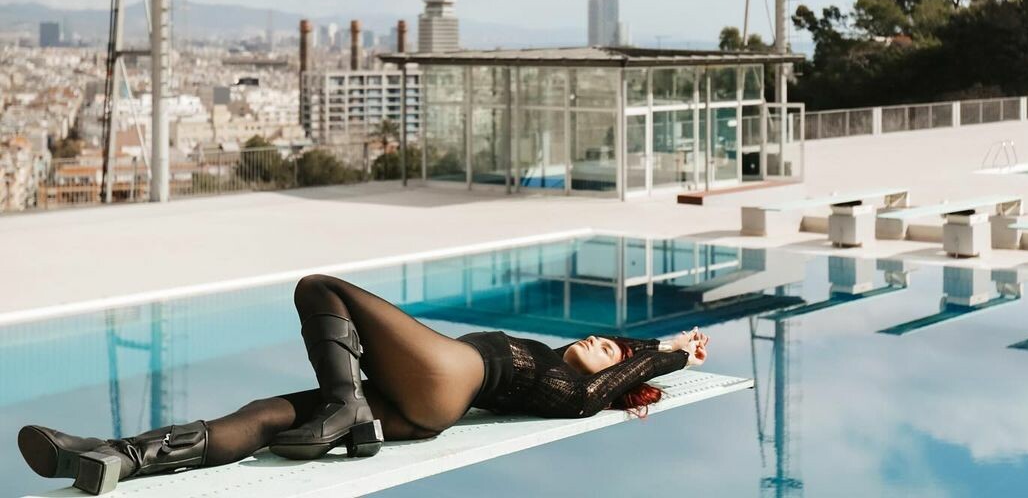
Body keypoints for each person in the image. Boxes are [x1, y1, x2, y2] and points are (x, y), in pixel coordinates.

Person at [18, 273, 710, 495]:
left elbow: (629, 370)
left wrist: (672, 355)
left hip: (448, 377)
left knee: (319, 288)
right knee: (266, 413)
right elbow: (622, 354)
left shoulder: (574, 393)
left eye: (609, 351)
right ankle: (117, 456)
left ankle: (346, 406)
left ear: (615, 377)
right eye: (601, 337)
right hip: (419, 408)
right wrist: (654, 344)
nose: (597, 342)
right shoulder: (553, 362)